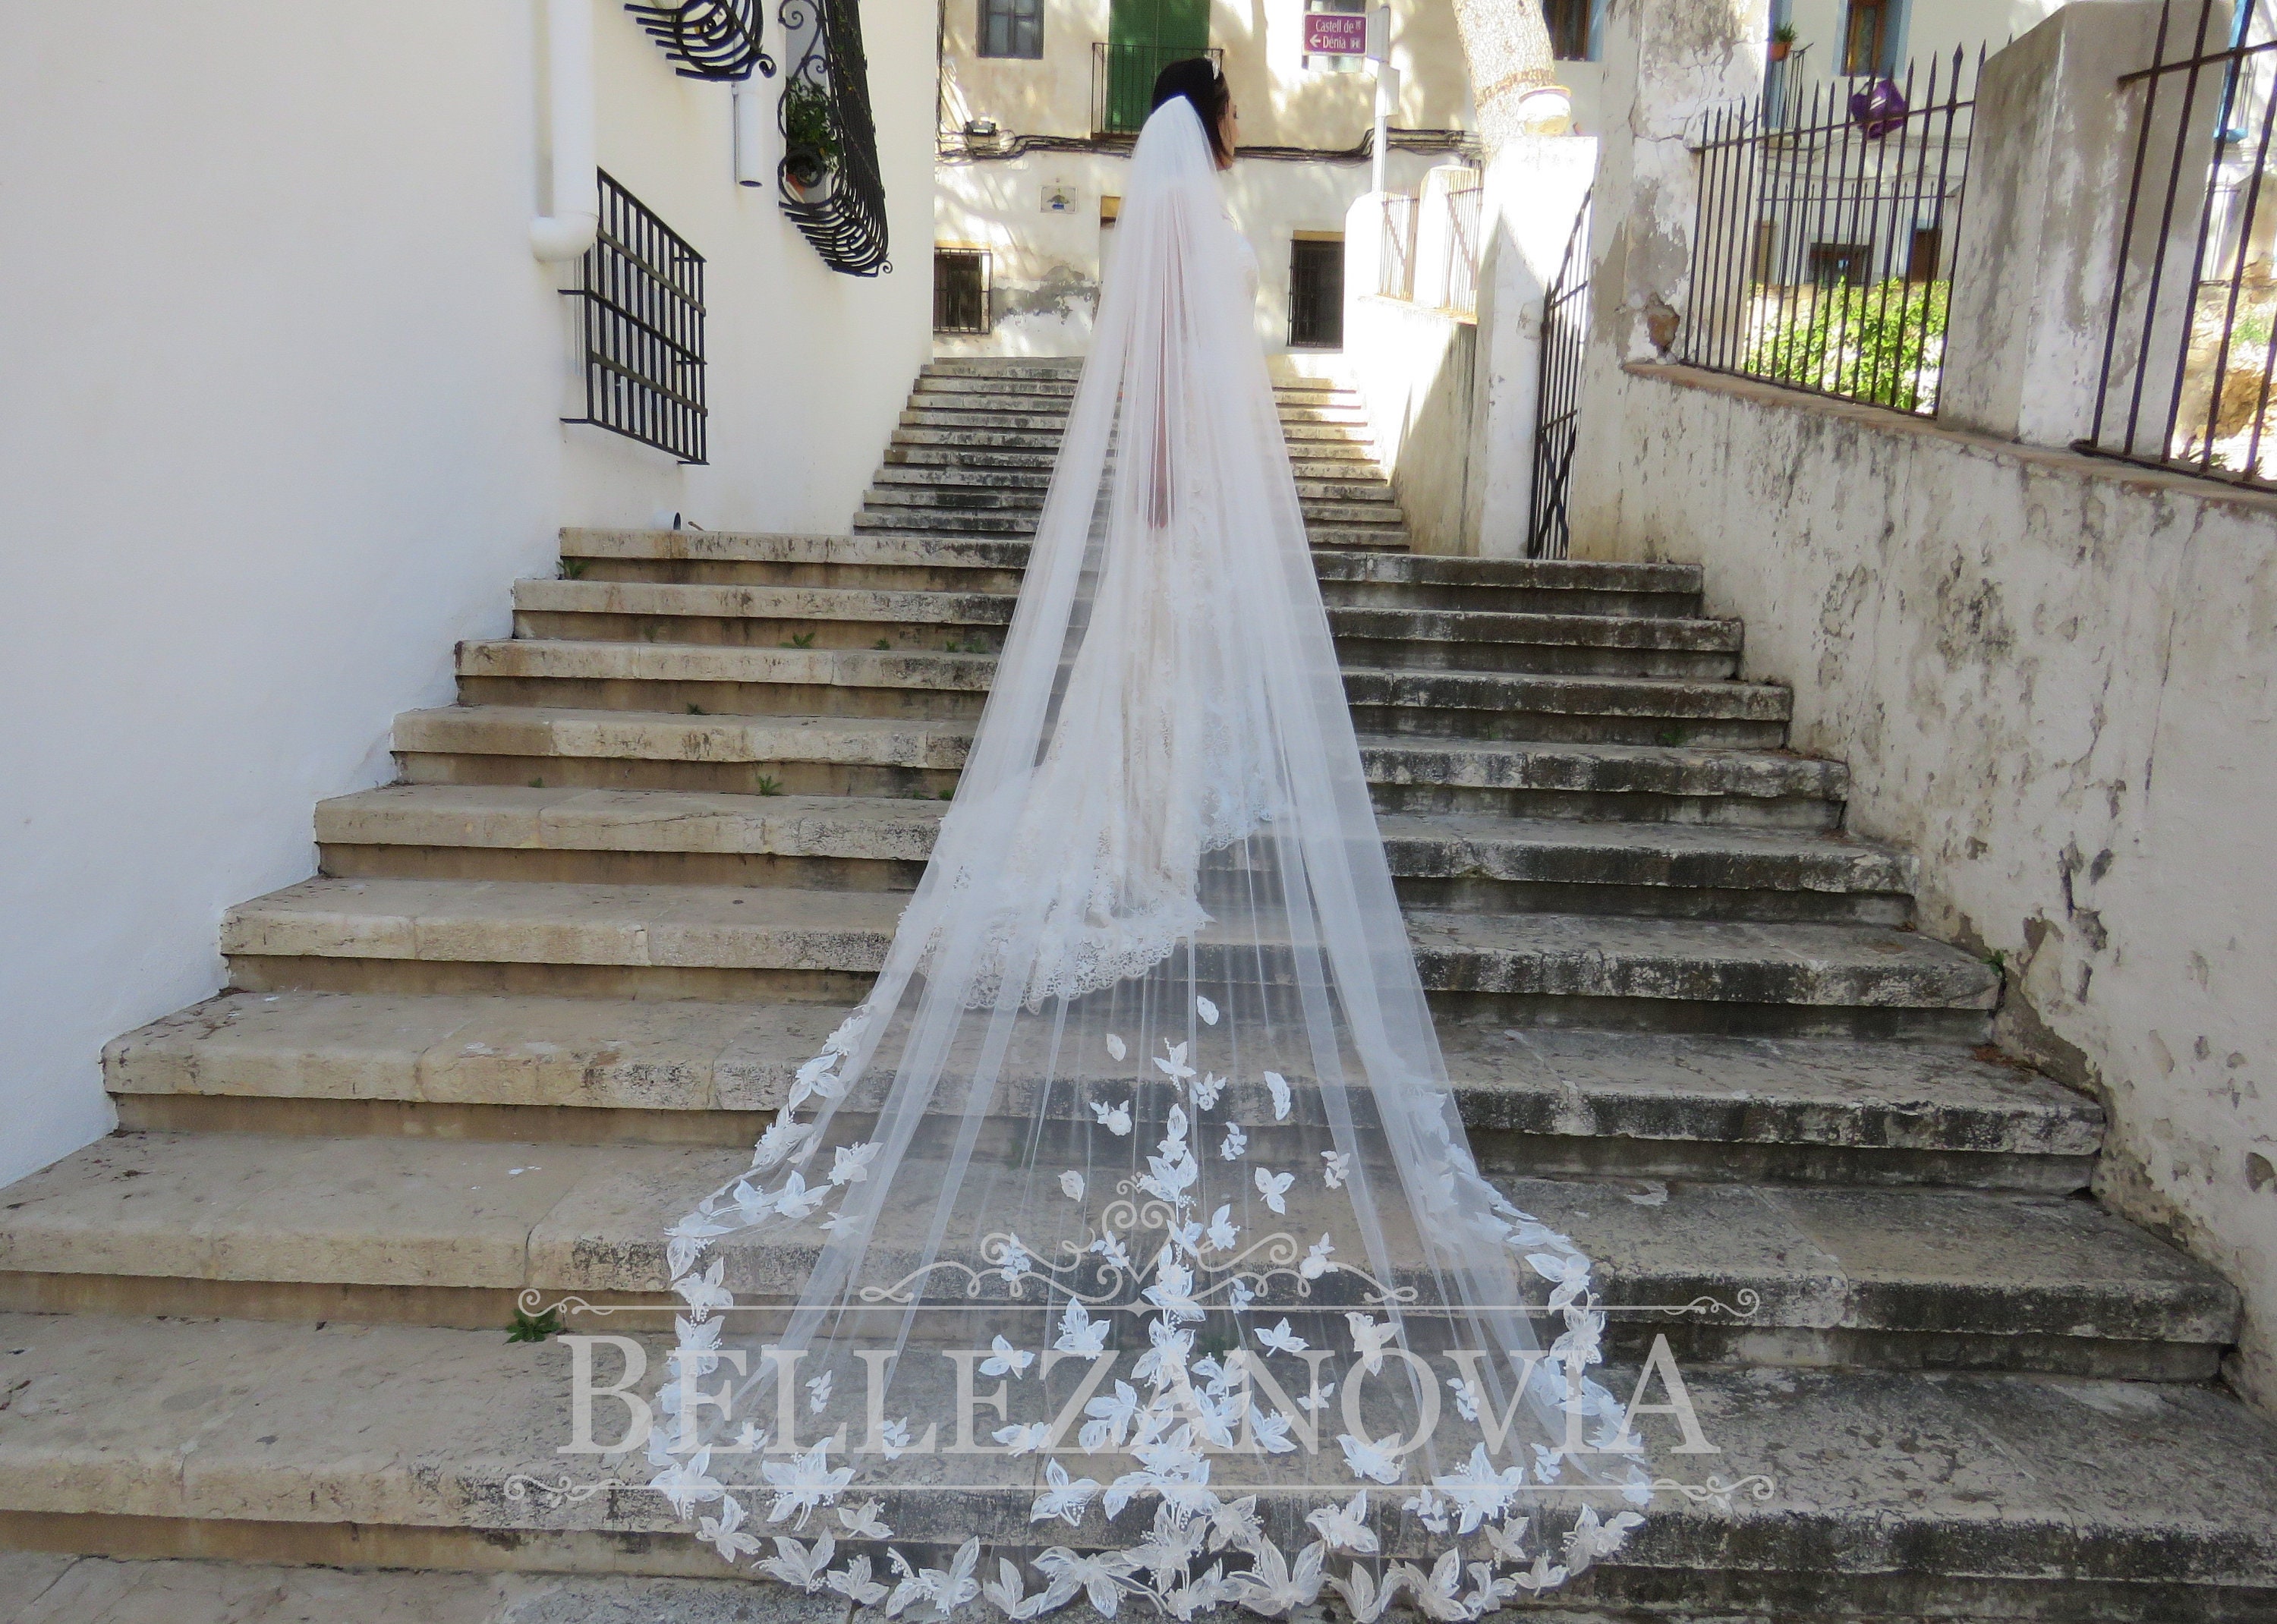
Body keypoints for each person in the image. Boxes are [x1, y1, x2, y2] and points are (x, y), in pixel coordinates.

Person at [646, 62, 1652, 1618]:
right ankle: (1133, 851)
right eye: (1236, 109)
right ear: (1214, 120)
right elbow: (1182, 384)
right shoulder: (1190, 202)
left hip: (1177, 508)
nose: (1241, 129)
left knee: (1157, 702)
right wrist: (1181, 510)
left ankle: (1138, 837)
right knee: (1160, 690)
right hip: (1180, 508)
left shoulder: (1173, 196)